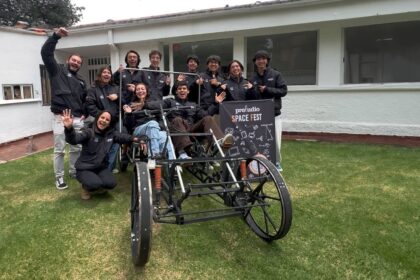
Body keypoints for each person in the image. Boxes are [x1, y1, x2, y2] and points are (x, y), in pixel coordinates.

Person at [41, 27, 87, 190]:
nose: (76, 63)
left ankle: (74, 171)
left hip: (76, 119)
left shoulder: (81, 80)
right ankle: (59, 178)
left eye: (79, 62)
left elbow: (85, 99)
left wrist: (84, 114)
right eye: (74, 60)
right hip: (60, 117)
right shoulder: (57, 71)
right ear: (68, 60)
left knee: (76, 147)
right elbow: (46, 54)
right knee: (60, 149)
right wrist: (55, 37)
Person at [63, 109, 140, 200]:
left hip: (100, 167)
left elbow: (123, 137)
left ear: (109, 123)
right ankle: (86, 188)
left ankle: (97, 184)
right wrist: (69, 129)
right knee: (94, 184)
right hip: (84, 168)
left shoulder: (111, 134)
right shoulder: (88, 132)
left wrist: (136, 139)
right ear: (97, 118)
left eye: (107, 120)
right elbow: (74, 140)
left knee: (111, 183)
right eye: (102, 117)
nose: (104, 120)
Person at [163, 81, 233, 160]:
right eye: (179, 89)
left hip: (191, 130)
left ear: (188, 91)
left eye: (184, 88)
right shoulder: (169, 102)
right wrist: (146, 104)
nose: (182, 90)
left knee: (208, 118)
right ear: (176, 92)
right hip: (177, 131)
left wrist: (215, 103)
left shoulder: (193, 105)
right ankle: (182, 153)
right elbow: (157, 105)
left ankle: (219, 141)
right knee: (178, 120)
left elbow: (205, 114)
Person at [250, 50, 288, 171]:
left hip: (274, 114)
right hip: (259, 115)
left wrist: (267, 89)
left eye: (263, 58)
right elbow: (252, 96)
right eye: (258, 59)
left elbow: (283, 91)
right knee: (259, 139)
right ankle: (261, 162)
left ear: (267, 61)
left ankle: (276, 163)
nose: (261, 61)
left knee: (275, 139)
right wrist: (251, 90)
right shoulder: (252, 78)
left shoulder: (276, 74)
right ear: (255, 62)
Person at [123, 83, 175, 160]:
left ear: (146, 91)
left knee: (164, 135)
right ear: (135, 92)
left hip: (154, 129)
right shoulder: (131, 105)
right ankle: (154, 156)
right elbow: (129, 125)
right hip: (138, 130)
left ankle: (172, 163)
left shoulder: (152, 103)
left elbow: (161, 114)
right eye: (138, 89)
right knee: (152, 124)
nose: (140, 91)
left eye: (142, 89)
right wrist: (129, 114)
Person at [85, 66, 121, 172]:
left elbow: (123, 101)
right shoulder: (93, 89)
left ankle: (110, 167)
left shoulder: (115, 87)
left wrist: (118, 97)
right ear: (100, 75)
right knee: (101, 145)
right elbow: (90, 106)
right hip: (101, 122)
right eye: (104, 72)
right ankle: (98, 167)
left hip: (114, 122)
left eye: (109, 73)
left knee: (114, 144)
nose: (106, 74)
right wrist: (102, 117)